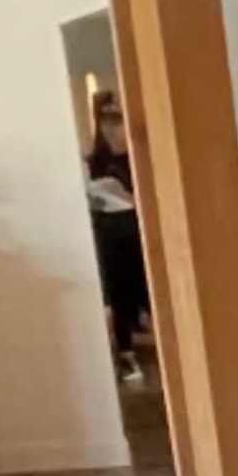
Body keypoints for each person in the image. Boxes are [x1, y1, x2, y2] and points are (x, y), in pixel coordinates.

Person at [82, 92, 151, 367]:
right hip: (108, 229)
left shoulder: (138, 157)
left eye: (116, 119)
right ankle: (125, 351)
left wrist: (130, 197)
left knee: (143, 284)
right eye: (104, 120)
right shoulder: (95, 160)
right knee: (117, 288)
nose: (110, 127)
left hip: (137, 228)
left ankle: (148, 329)